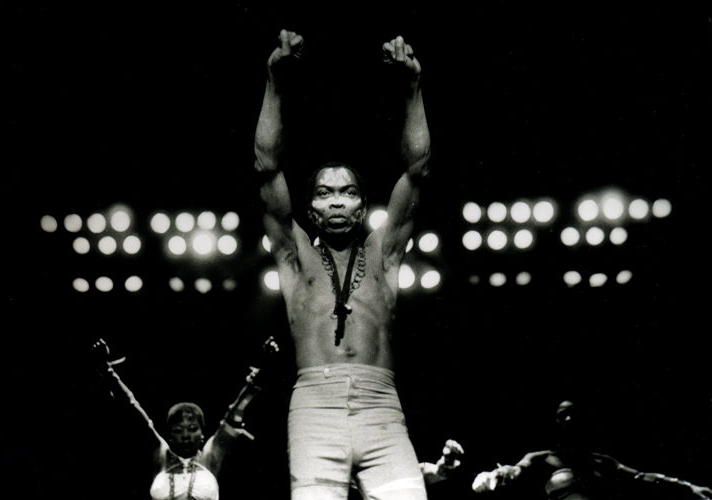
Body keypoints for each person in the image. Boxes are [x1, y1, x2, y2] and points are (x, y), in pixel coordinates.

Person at [253, 28, 433, 499]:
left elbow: (418, 170)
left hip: (381, 405)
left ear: (362, 206)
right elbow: (266, 167)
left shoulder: (384, 252)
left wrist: (412, 88)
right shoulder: (295, 258)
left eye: (348, 192)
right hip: (316, 405)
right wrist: (274, 82)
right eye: (325, 193)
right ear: (311, 209)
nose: (337, 201)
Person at [92, 337, 276, 500]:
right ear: (170, 436)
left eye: (192, 428)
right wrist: (107, 372)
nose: (186, 435)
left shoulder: (211, 456)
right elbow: (132, 410)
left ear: (202, 434)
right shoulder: (161, 456)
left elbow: (236, 411)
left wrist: (263, 372)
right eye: (178, 430)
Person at [471, 400, 712, 500]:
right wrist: (496, 474)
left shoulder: (602, 462)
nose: (568, 420)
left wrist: (688, 487)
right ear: (556, 423)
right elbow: (517, 469)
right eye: (562, 416)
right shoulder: (542, 459)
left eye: (573, 415)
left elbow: (641, 477)